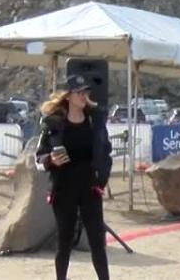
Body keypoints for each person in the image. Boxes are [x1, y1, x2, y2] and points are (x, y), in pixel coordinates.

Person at [35, 75, 113, 280]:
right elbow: (39, 158)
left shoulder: (94, 121)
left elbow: (106, 152)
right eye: (78, 92)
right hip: (64, 189)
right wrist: (51, 160)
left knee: (98, 242)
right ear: (68, 96)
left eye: (85, 92)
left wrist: (101, 179)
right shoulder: (54, 124)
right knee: (65, 241)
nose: (83, 96)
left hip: (90, 188)